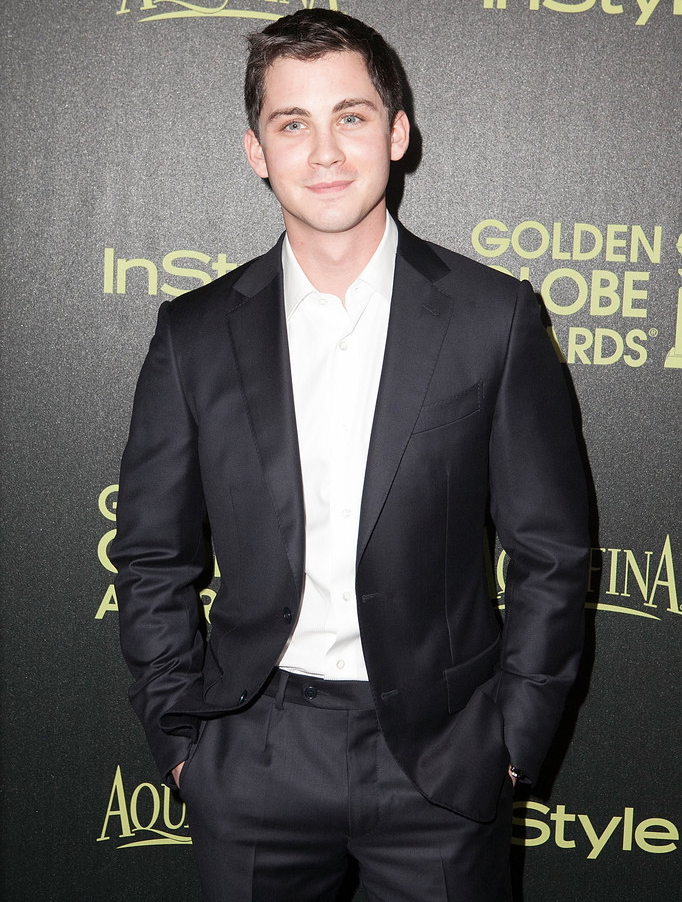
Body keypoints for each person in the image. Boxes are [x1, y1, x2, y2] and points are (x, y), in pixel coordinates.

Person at [112, 8, 589, 902]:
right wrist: (183, 743)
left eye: (352, 117)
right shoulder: (194, 335)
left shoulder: (496, 321)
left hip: (444, 759)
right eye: (293, 123)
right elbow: (149, 557)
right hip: (252, 751)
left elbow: (552, 555)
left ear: (398, 134)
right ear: (256, 150)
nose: (325, 152)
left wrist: (514, 743)